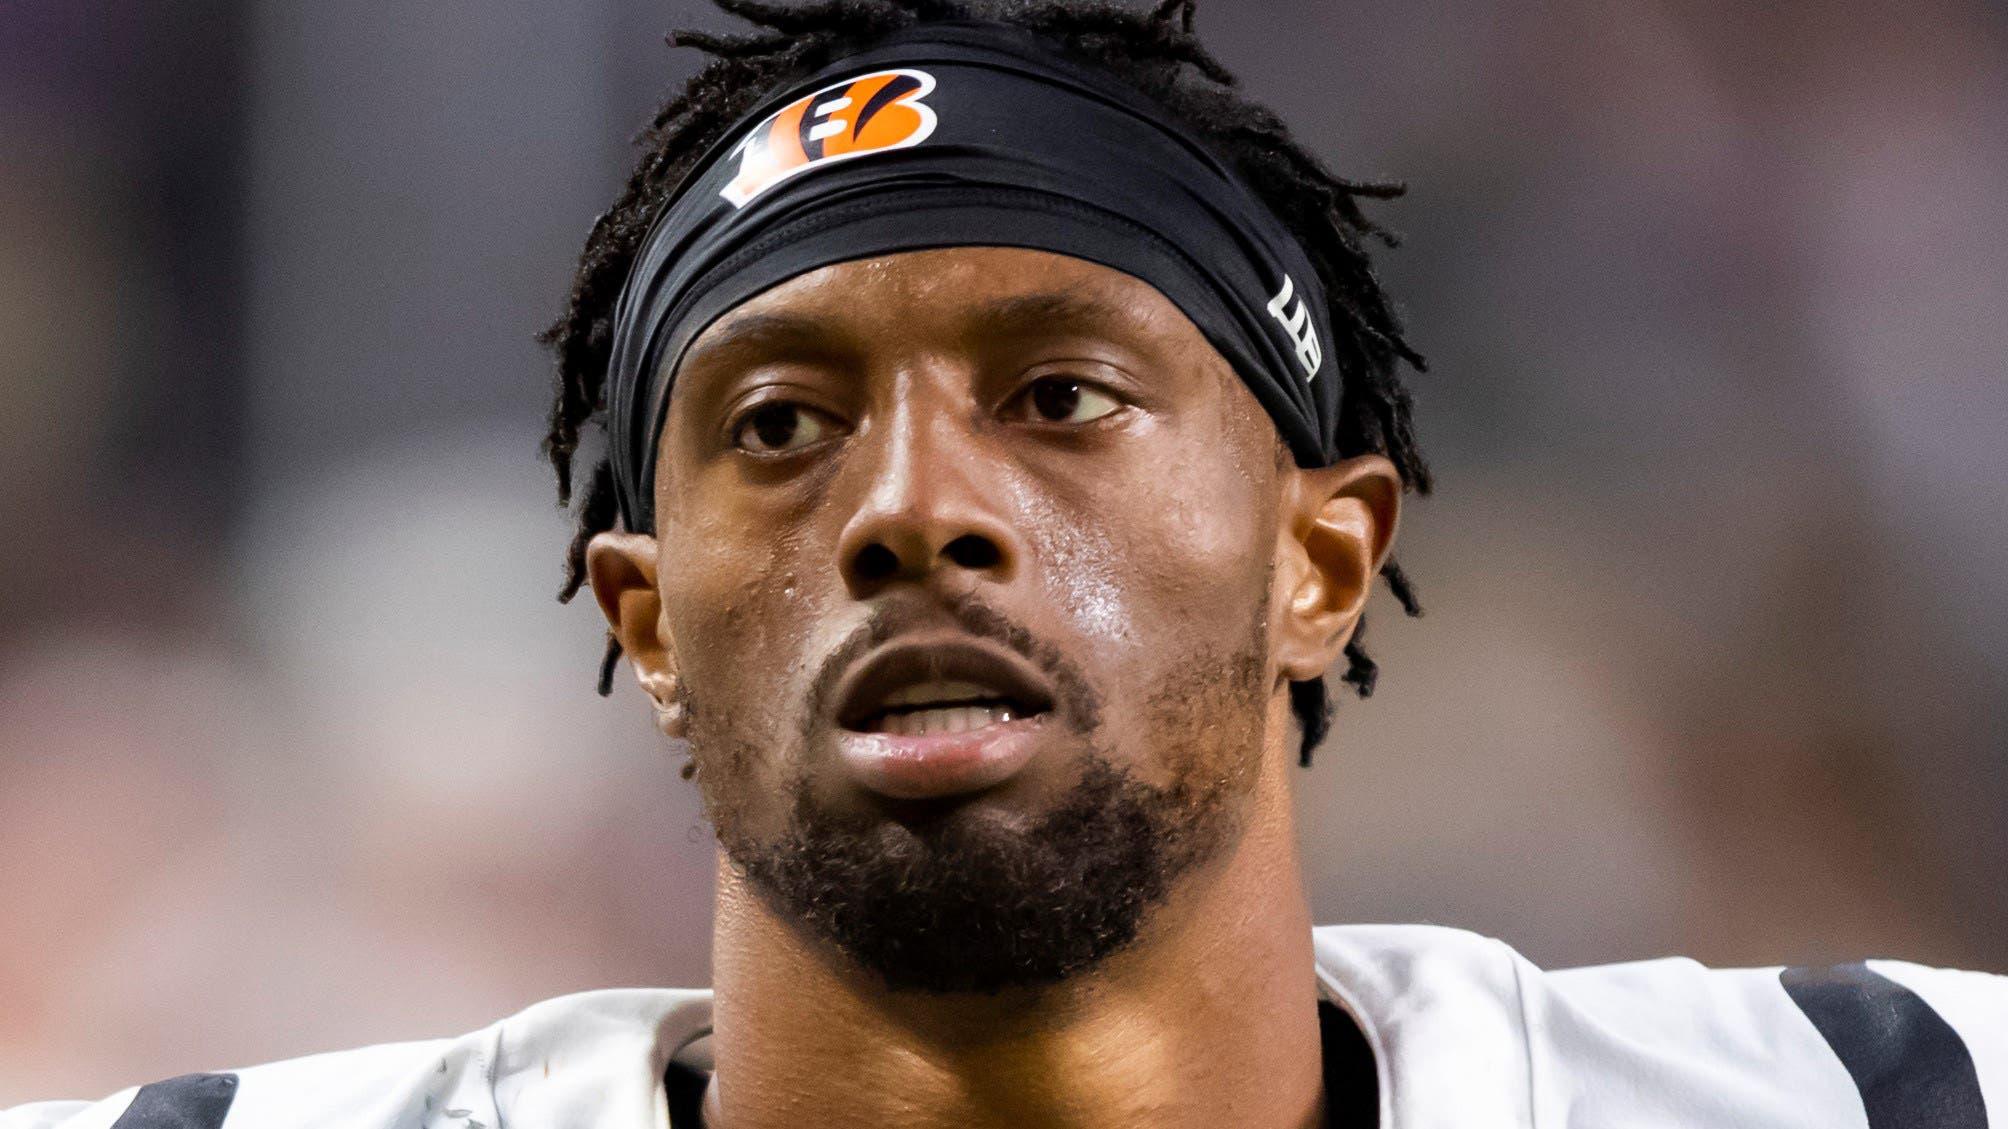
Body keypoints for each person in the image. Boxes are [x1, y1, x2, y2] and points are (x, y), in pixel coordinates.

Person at [7, 2, 2003, 1127]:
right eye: (777, 422)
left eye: (1058, 394)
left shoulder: (1884, 1102)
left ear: (1322, 558)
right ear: (644, 627)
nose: (909, 506)